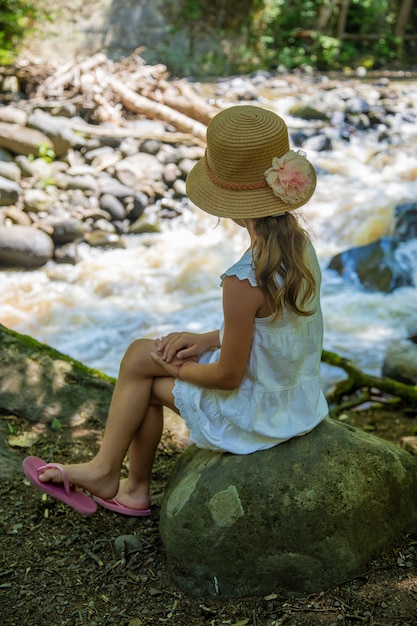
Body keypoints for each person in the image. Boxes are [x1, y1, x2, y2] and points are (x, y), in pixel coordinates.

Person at [22, 105, 329, 516]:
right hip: (296, 400)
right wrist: (204, 340)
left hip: (256, 419)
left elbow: (227, 376)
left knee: (139, 360)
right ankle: (126, 486)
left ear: (230, 201)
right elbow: (277, 331)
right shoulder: (300, 246)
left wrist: (173, 367)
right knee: (145, 367)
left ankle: (110, 474)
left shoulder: (243, 280)